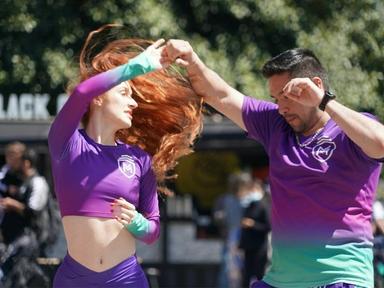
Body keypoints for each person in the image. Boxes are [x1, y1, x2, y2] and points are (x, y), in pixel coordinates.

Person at [162, 41, 384, 288]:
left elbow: (381, 144)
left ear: (316, 86)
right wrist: (192, 60)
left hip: (339, 278)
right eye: (276, 98)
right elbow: (220, 94)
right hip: (280, 281)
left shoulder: (351, 129)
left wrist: (325, 102)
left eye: (288, 96)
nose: (281, 107)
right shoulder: (275, 125)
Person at [48, 25, 202, 287]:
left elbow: (153, 230)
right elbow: (82, 91)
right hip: (74, 279)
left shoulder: (139, 159)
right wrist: (136, 66)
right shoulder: (66, 145)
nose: (133, 103)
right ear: (98, 99)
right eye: (124, 94)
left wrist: (138, 223)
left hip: (126, 279)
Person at [0, 145, 50, 287]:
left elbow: (34, 212)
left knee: (20, 275)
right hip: (15, 237)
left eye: (19, 161)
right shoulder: (18, 182)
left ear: (26, 162)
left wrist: (13, 205)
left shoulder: (37, 182)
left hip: (30, 239)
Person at [213, 172, 251, 288]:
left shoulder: (250, 200)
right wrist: (219, 217)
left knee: (244, 268)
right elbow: (217, 218)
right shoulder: (224, 199)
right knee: (227, 268)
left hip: (246, 239)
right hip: (230, 237)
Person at [239, 178, 271, 287]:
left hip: (260, 247)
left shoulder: (264, 206)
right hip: (248, 246)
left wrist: (253, 224)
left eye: (253, 189)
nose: (251, 192)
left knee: (259, 274)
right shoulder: (249, 205)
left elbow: (268, 227)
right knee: (246, 274)